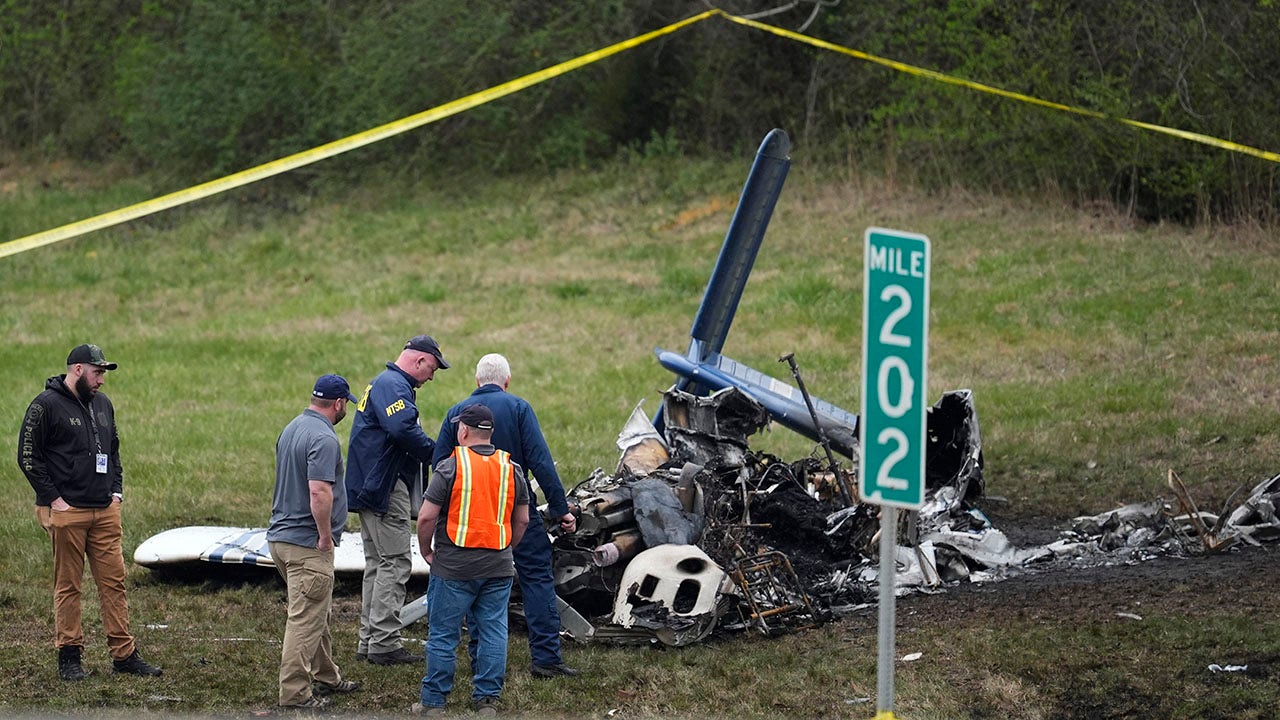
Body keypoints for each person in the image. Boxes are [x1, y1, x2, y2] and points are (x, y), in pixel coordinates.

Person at [17, 344, 162, 681]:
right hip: (67, 512)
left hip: (105, 510)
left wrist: (117, 491)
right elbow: (28, 457)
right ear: (78, 369)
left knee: (115, 583)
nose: (102, 380)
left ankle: (124, 655)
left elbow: (113, 450)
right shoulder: (45, 406)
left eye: (104, 373)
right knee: (68, 586)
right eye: (98, 372)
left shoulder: (103, 405)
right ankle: (69, 656)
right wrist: (54, 500)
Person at [432, 353, 579, 679]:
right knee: (537, 579)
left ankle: (478, 661)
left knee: (473, 584)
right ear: (507, 381)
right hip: (514, 511)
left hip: (469, 517)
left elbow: (439, 464)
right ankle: (546, 659)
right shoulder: (519, 408)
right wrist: (561, 508)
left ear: (476, 381)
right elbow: (540, 460)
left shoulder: (457, 413)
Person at [415, 404, 529, 716]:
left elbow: (426, 518)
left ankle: (434, 702)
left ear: (463, 431)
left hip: (453, 567)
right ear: (489, 433)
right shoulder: (511, 469)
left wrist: (426, 550)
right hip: (497, 566)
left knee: (443, 633)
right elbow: (522, 521)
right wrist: (506, 547)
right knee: (493, 630)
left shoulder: (450, 467)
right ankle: (487, 700)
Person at [346, 334, 449, 665]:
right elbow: (402, 429)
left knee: (378, 563)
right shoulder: (394, 384)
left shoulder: (383, 383)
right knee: (396, 561)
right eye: (431, 368)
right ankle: (385, 643)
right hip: (384, 488)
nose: (431, 377)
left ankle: (370, 641)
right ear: (419, 361)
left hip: (370, 486)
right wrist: (439, 455)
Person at [267, 374, 363, 709]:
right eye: (345, 405)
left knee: (313, 612)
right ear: (338, 403)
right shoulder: (324, 439)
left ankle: (327, 676)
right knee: (305, 620)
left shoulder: (292, 428)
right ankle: (295, 694)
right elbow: (319, 491)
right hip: (307, 544)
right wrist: (324, 536)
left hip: (280, 539)